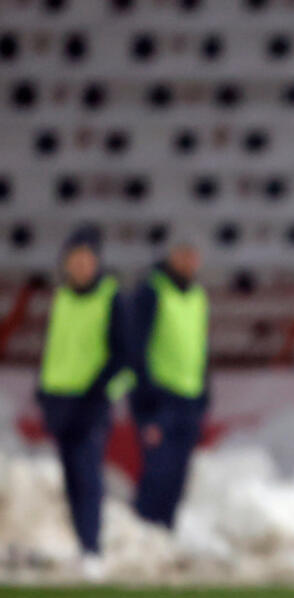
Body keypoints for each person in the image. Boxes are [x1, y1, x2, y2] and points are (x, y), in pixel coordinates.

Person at [36, 225, 129, 573]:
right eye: (75, 260)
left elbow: (124, 356)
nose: (80, 266)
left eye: (87, 260)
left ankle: (92, 549)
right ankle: (80, 545)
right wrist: (44, 391)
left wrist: (100, 394)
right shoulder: (61, 297)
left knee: (89, 476)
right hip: (60, 399)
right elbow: (55, 348)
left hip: (90, 403)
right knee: (71, 478)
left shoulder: (111, 296)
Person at [128, 241, 209, 529]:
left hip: (189, 400)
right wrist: (145, 403)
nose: (189, 261)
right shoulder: (151, 291)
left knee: (177, 478)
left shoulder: (198, 296)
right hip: (159, 400)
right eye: (183, 254)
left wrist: (203, 398)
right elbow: (136, 348)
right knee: (157, 474)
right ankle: (143, 535)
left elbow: (200, 349)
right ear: (171, 255)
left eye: (193, 255)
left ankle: (164, 537)